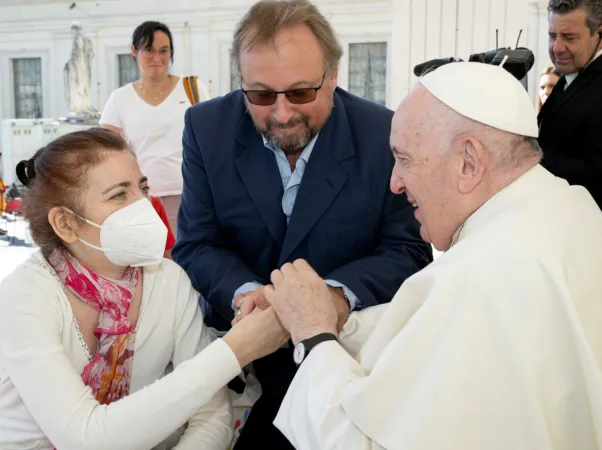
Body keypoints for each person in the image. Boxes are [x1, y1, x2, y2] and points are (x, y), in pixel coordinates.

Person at [257, 62, 602, 449]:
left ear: (469, 163)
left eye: (404, 159)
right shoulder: (569, 206)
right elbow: (432, 318)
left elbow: (362, 443)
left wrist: (313, 335)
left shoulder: (483, 274)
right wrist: (335, 318)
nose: (395, 182)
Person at [172, 1, 432, 447]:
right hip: (243, 364)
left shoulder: (382, 135)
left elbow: (407, 250)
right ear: (241, 82)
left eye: (300, 93)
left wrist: (331, 298)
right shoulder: (205, 127)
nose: (282, 113)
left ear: (332, 76)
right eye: (260, 95)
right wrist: (247, 296)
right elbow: (196, 243)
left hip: (347, 365)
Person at [0, 128, 289, 450]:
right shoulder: (24, 297)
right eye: (119, 195)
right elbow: (83, 438)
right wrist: (235, 350)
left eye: (143, 188)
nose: (146, 207)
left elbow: (211, 412)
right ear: (66, 224)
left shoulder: (167, 279)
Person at [100, 21, 209, 234]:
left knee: (186, 261)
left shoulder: (192, 89)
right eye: (149, 50)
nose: (157, 58)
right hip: (139, 201)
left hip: (189, 196)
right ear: (134, 50)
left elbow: (212, 138)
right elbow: (105, 150)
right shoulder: (120, 99)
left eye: (164, 51)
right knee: (147, 262)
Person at [538, 0, 602, 208]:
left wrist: (531, 156)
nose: (557, 48)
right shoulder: (570, 76)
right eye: (552, 36)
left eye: (569, 38)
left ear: (599, 35)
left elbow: (595, 175)